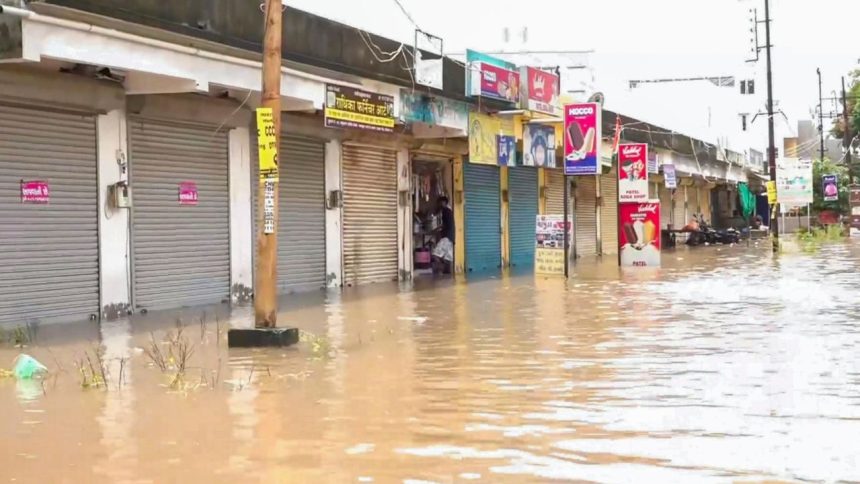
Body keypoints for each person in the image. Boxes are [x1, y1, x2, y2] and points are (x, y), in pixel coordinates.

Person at [432, 196, 455, 274]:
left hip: (446, 237)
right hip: (451, 237)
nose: (439, 204)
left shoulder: (445, 211)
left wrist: (437, 229)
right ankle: (448, 277)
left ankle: (439, 272)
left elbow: (446, 224)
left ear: (444, 202)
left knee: (435, 255)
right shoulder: (449, 211)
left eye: (440, 202)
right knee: (447, 259)